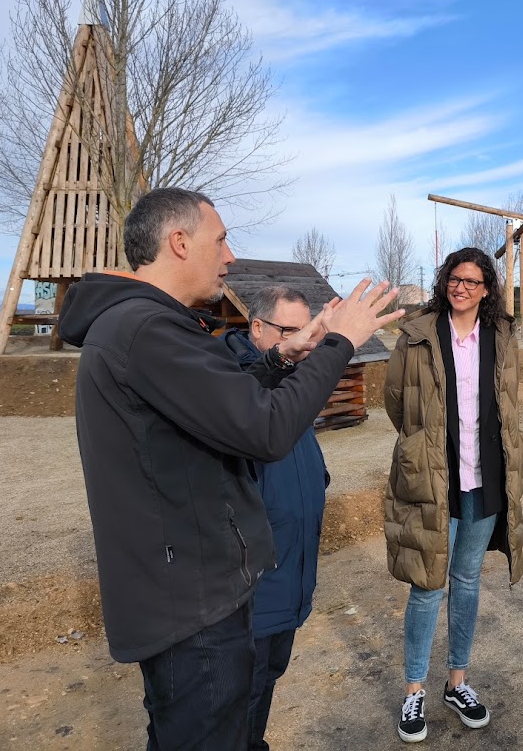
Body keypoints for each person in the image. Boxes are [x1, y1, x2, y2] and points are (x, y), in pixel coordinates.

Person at [58, 187, 401, 750]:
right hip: (191, 603)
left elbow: (217, 405)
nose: (230, 256)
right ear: (179, 242)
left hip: (187, 591)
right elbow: (264, 430)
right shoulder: (147, 331)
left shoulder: (145, 328)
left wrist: (278, 359)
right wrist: (341, 342)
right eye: (220, 240)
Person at [383, 247, 523, 744]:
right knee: (428, 584)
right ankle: (414, 689)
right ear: (445, 281)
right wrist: (423, 446)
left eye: (472, 281)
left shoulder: (502, 335)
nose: (461, 287)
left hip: (485, 474)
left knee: (466, 578)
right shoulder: (418, 334)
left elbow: (507, 401)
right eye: (454, 279)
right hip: (434, 475)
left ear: (487, 288)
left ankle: (457, 682)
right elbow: (396, 402)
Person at [223, 285, 331, 751]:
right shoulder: (234, 388)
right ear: (259, 328)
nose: (305, 342)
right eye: (293, 331)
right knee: (238, 699)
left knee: (265, 682)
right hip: (252, 589)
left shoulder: (291, 387)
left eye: (312, 331)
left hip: (290, 574)